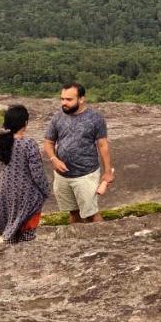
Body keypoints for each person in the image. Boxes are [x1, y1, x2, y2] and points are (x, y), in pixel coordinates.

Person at [43, 82, 114, 224]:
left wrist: (108, 171)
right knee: (73, 213)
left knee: (91, 214)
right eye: (62, 99)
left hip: (85, 175)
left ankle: (104, 241)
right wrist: (53, 159)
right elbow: (48, 142)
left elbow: (102, 145)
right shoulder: (57, 117)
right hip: (62, 176)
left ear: (81, 99)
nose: (64, 103)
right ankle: (77, 244)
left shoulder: (95, 118)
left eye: (69, 100)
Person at [0, 105, 50, 242]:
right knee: (27, 232)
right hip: (25, 192)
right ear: (25, 123)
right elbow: (37, 173)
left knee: (9, 229)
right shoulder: (29, 143)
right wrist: (46, 191)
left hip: (4, 189)